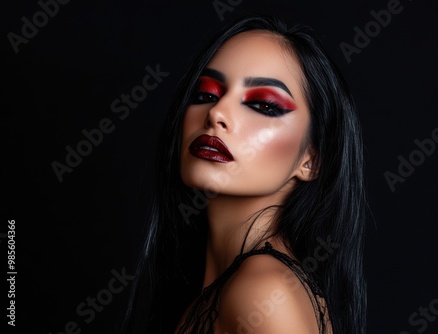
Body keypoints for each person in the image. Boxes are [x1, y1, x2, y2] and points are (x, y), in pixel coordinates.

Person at [124, 14, 367, 334]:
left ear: (311, 160)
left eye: (264, 105)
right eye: (206, 94)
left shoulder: (264, 292)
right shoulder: (231, 289)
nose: (216, 113)